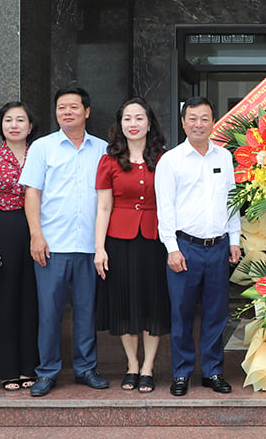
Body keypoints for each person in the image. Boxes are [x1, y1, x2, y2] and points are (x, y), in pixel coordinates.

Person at [19, 85, 109, 397]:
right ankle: (47, 371)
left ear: (87, 111)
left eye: (73, 107)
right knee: (49, 312)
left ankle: (86, 369)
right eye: (61, 107)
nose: (67, 112)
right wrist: (36, 235)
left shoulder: (104, 149)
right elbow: (32, 193)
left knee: (86, 311)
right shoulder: (42, 148)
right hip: (52, 245)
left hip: (89, 246)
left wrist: (102, 245)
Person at [155, 96, 241, 397]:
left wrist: (234, 240)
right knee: (181, 312)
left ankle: (213, 371)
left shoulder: (224, 157)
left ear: (213, 121)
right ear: (183, 122)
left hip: (218, 247)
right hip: (185, 247)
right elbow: (164, 209)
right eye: (192, 118)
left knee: (217, 313)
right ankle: (181, 373)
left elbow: (232, 202)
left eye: (204, 118)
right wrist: (171, 248)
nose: (198, 124)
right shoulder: (171, 161)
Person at [94, 97, 171, 394]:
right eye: (128, 118)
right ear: (120, 124)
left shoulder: (164, 159)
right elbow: (103, 207)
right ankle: (131, 365)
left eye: (140, 118)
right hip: (119, 240)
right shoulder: (109, 160)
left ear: (149, 123)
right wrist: (99, 248)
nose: (134, 124)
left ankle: (149, 366)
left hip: (155, 240)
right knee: (125, 304)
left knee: (152, 302)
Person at [0, 101, 39, 391]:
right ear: (1, 125)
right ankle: (9, 369)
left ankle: (31, 367)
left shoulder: (42, 154)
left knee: (33, 300)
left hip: (38, 229)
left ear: (30, 126)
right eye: (8, 120)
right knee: (5, 301)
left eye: (20, 120)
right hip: (5, 229)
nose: (14, 125)